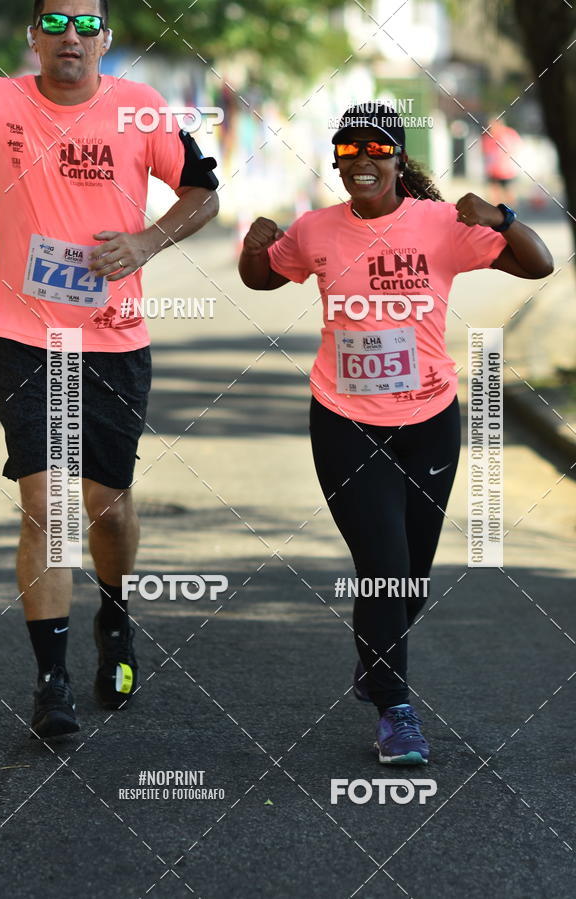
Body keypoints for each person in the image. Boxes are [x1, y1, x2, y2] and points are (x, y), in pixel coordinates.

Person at [238, 104, 552, 765]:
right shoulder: (318, 229)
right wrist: (252, 245)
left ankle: (376, 659)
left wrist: (502, 218)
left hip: (431, 420)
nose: (361, 162)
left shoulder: (443, 225)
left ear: (397, 158)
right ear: (338, 162)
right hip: (346, 420)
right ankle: (395, 709)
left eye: (375, 149)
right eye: (347, 151)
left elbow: (538, 265)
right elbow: (264, 275)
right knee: (381, 566)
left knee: (409, 579)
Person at [0, 1, 219, 739]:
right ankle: (51, 684)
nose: (70, 38)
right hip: (24, 337)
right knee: (45, 508)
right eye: (54, 24)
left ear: (106, 40)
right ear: (33, 38)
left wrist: (146, 241)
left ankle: (114, 617)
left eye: (85, 25)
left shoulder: (143, 110)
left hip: (113, 340)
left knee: (105, 508)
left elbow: (203, 191)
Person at [482, 118, 522, 208]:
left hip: (506, 171)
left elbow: (516, 147)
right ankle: (496, 214)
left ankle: (513, 214)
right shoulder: (488, 136)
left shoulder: (509, 134)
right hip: (493, 171)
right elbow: (485, 152)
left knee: (509, 193)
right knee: (494, 194)